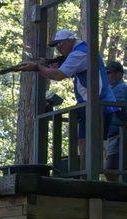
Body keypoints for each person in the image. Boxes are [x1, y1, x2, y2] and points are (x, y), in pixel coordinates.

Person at [18, 29, 118, 169]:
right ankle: (86, 181)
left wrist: (37, 67)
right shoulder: (80, 50)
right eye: (56, 45)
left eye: (60, 43)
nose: (58, 47)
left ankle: (95, 182)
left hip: (98, 105)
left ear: (71, 40)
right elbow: (62, 69)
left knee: (95, 146)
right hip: (87, 105)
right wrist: (46, 65)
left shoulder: (79, 53)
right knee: (84, 145)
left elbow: (58, 75)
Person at [105, 61, 127, 183]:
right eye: (106, 73)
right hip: (114, 136)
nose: (107, 76)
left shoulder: (121, 88)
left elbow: (113, 106)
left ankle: (124, 197)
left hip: (122, 135)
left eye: (109, 73)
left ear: (119, 74)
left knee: (116, 170)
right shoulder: (111, 89)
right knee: (112, 170)